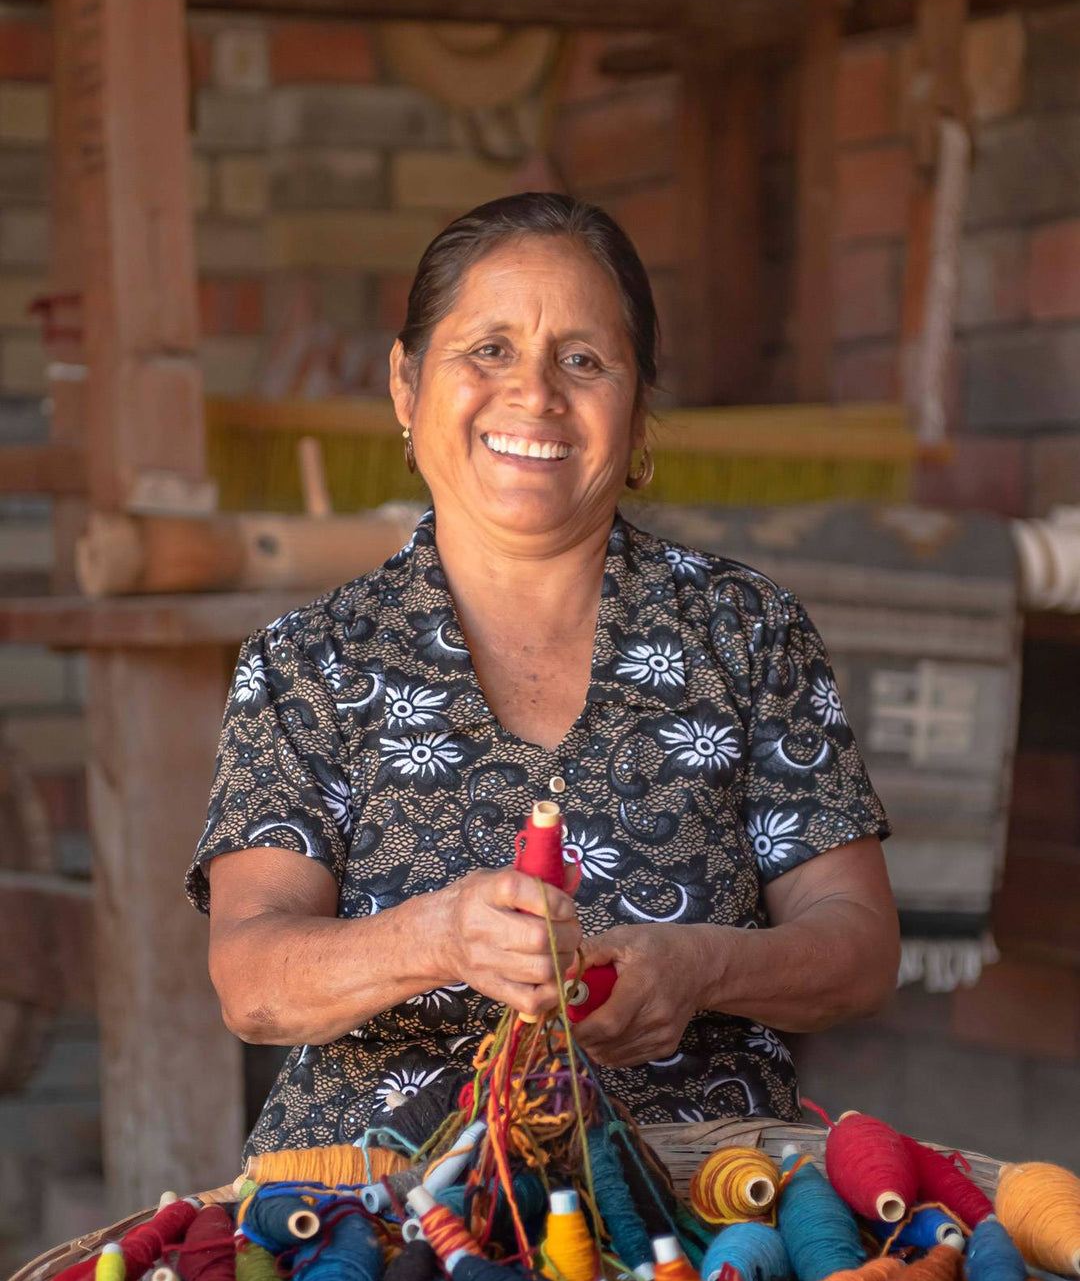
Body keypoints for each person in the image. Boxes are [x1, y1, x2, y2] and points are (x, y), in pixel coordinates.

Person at [187, 192, 898, 1155]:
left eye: (583, 360)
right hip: (373, 1217)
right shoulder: (308, 663)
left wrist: (699, 968)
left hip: (708, 1205)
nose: (535, 395)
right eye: (488, 350)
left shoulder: (744, 631)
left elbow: (857, 949)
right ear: (407, 388)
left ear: (638, 407)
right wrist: (438, 937)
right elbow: (253, 981)